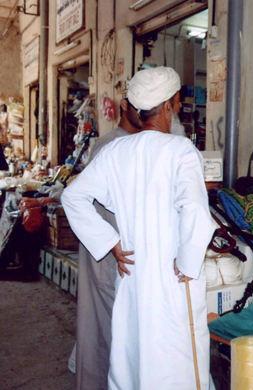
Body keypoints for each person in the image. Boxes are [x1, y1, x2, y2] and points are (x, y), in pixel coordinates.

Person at [62, 66, 216, 389]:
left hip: (131, 279)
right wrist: (187, 263)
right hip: (173, 283)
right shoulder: (181, 151)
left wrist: (111, 242)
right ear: (169, 106)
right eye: (176, 102)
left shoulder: (115, 152)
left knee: (133, 363)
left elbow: (73, 197)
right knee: (179, 369)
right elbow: (197, 213)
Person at [73, 96, 142, 390]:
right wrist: (112, 243)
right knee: (103, 333)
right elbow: (82, 201)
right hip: (106, 254)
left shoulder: (141, 144)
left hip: (122, 254)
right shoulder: (110, 145)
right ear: (126, 105)